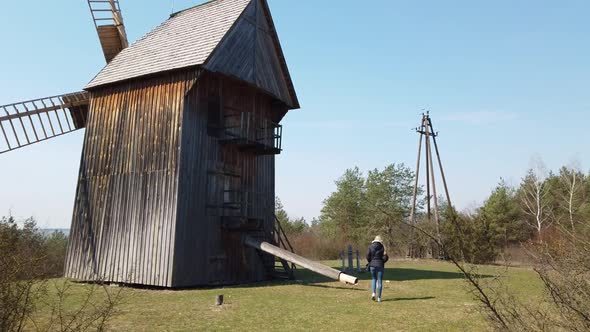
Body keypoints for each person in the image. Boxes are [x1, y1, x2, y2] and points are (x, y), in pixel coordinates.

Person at [366, 235, 388, 302]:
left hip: (372, 265)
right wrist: (382, 261)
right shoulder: (383, 247)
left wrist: (370, 261)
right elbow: (385, 256)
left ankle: (373, 293)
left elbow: (367, 255)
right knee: (380, 280)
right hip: (380, 265)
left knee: (373, 279)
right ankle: (379, 298)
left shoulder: (370, 246)